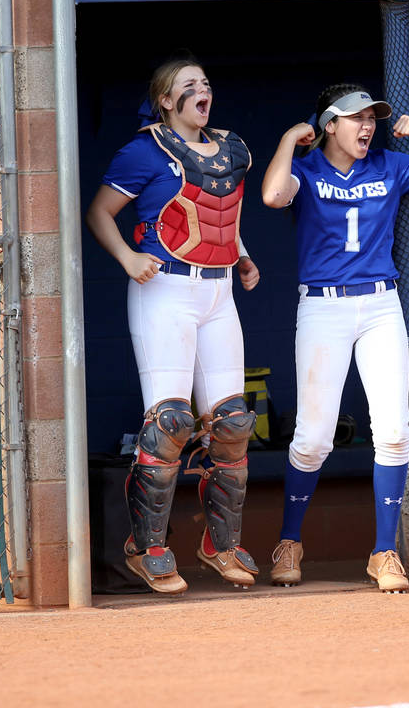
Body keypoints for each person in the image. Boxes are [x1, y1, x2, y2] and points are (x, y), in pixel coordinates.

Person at [261, 83, 409, 592]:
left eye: (371, 118)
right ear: (329, 125)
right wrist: (286, 141)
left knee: (393, 430)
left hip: (382, 304)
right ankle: (290, 540)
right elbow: (273, 195)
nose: (367, 126)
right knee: (314, 437)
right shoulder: (306, 167)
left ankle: (384, 552)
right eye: (354, 118)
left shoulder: (389, 164)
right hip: (323, 305)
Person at [86, 57, 262, 593]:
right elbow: (99, 212)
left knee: (232, 423)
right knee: (169, 424)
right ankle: (147, 548)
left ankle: (221, 545)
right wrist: (126, 259)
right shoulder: (144, 150)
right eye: (189, 86)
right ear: (166, 99)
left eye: (206, 83)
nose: (201, 90)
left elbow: (220, 213)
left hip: (218, 289)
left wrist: (244, 256)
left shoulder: (231, 148)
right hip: (163, 288)